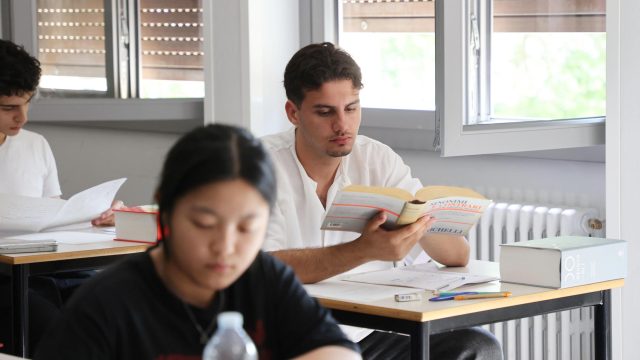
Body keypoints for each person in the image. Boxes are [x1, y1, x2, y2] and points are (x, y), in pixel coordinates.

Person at [34, 124, 361, 360]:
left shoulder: (264, 278)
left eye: (247, 227)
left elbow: (336, 350)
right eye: (204, 224)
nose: (225, 246)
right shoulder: (108, 304)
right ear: (167, 210)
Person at [261, 42, 503, 359]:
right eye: (325, 112)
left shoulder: (377, 159)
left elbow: (457, 256)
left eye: (351, 108)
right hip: (291, 336)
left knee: (477, 346)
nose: (342, 126)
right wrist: (363, 250)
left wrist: (422, 219)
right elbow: (264, 269)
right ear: (293, 113)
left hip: (369, 331)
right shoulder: (258, 166)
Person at [0, 38, 119, 354]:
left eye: (27, 103)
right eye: (8, 107)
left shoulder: (34, 144)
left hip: (43, 267)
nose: (22, 118)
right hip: (6, 278)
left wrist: (96, 216)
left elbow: (53, 216)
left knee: (117, 309)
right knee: (54, 327)